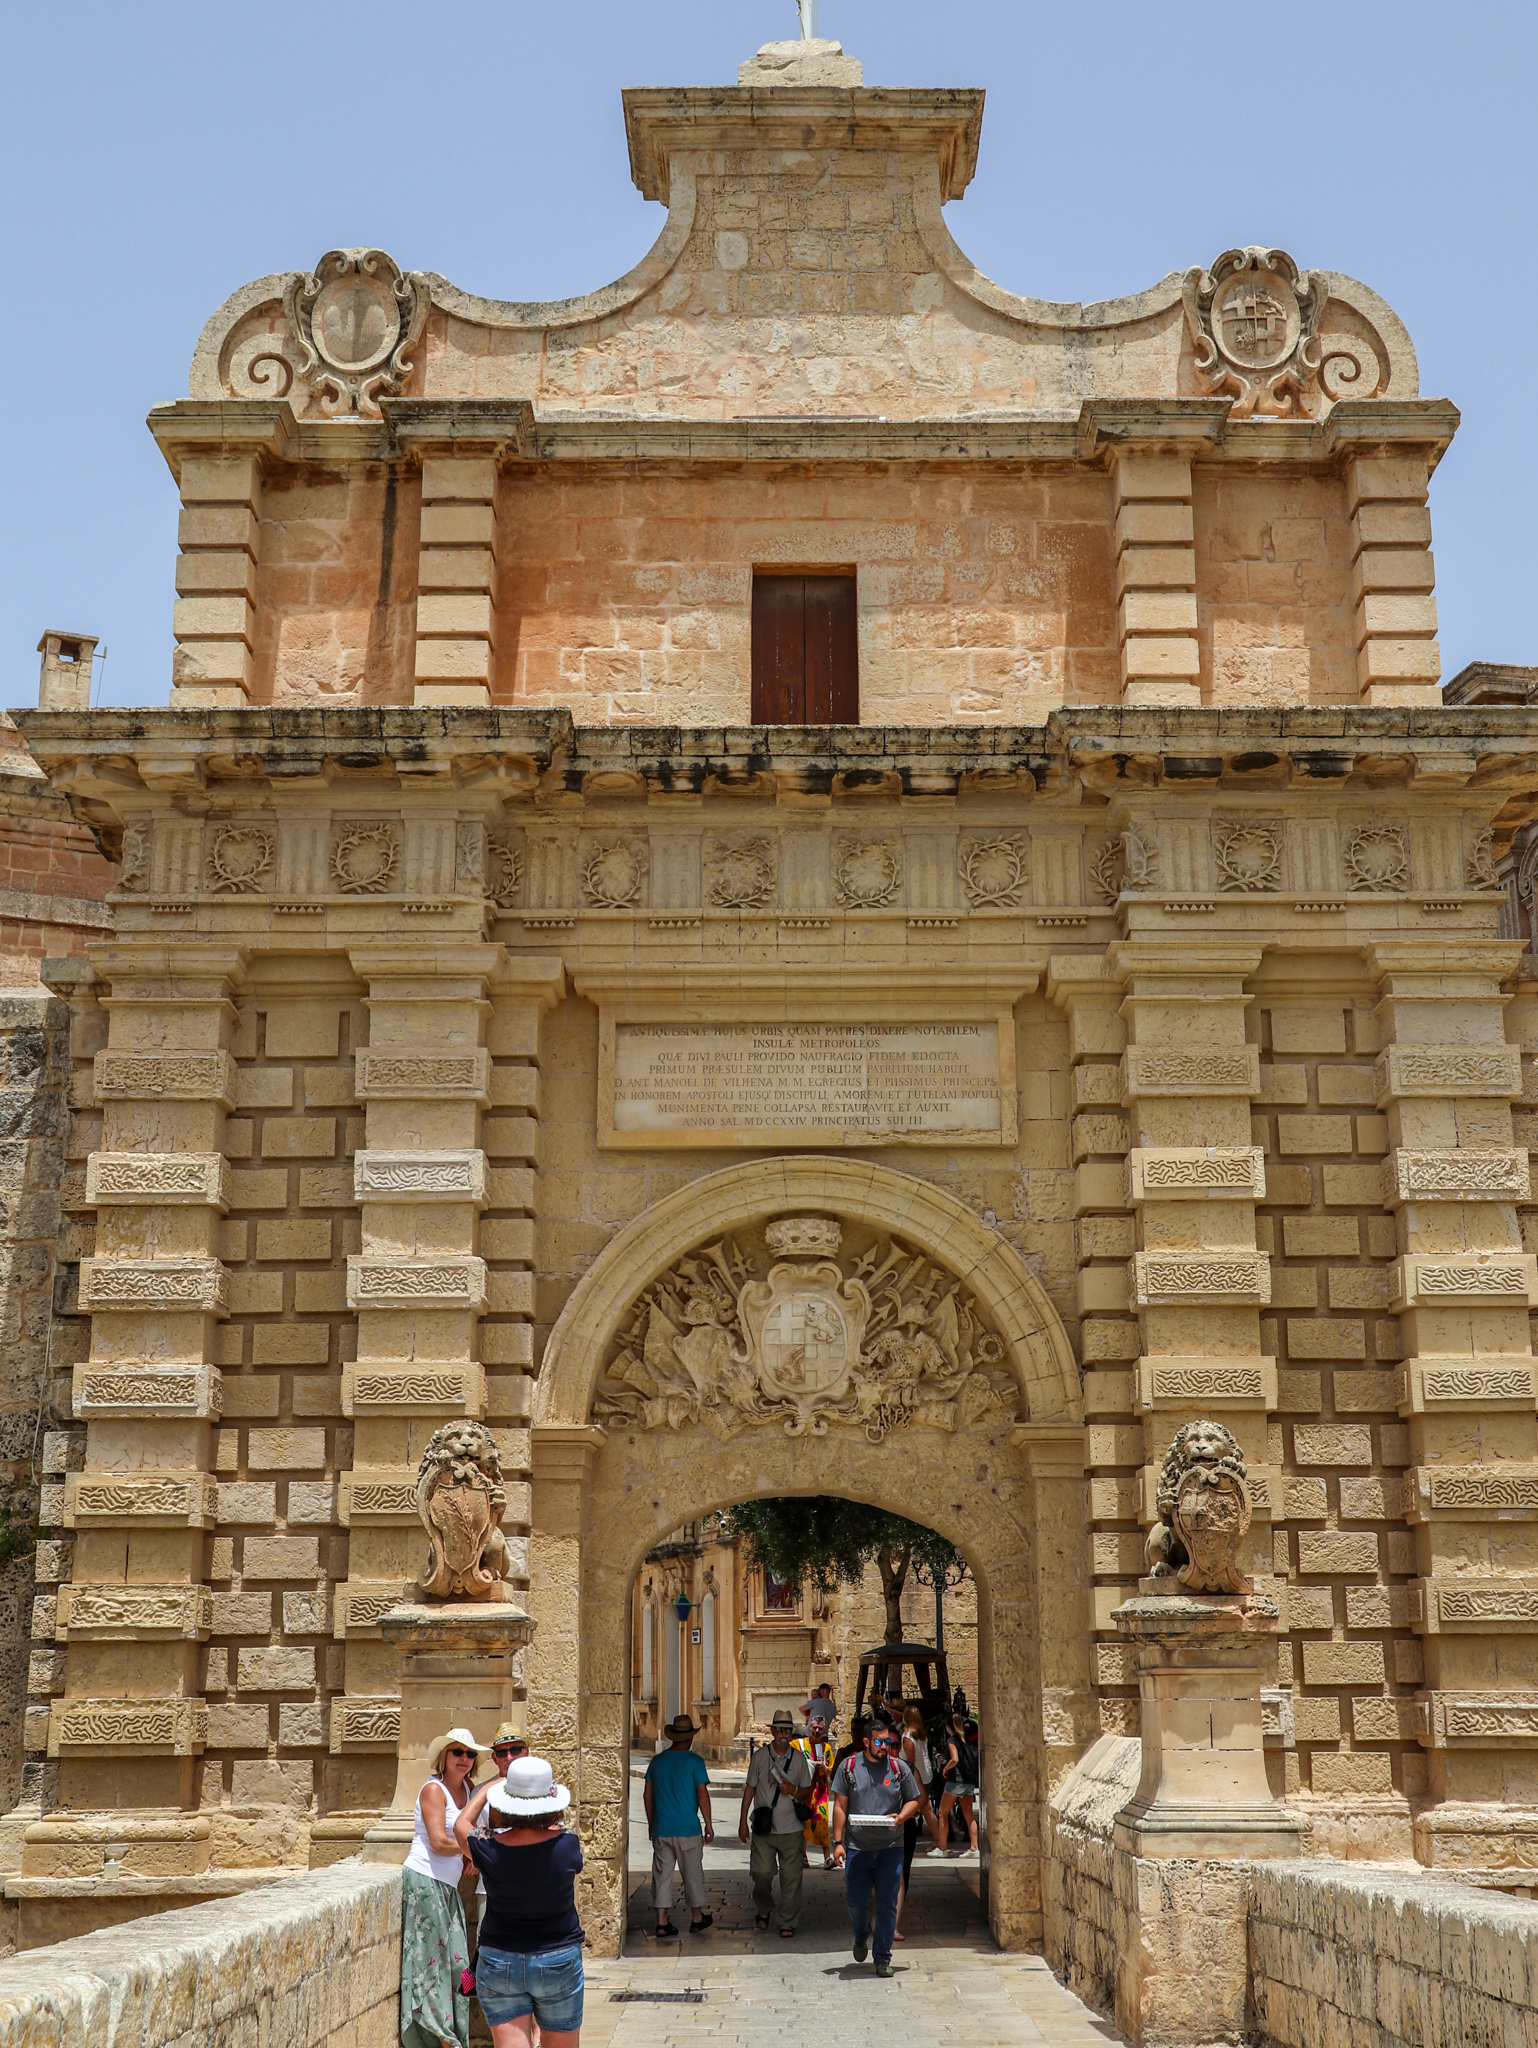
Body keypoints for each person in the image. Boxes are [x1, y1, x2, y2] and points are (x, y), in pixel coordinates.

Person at [453, 1754, 584, 2048]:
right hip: (558, 1957)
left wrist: (486, 1791)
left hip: (500, 1959)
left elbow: (461, 1824)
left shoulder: (487, 1848)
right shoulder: (568, 1845)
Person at [401, 1726, 485, 2048]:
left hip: (448, 1888)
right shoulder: (433, 1790)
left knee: (460, 1965)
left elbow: (468, 1835)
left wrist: (471, 1857)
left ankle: (454, 2035)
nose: (464, 1758)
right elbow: (438, 1842)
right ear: (444, 1757)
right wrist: (474, 1850)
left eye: (470, 1754)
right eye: (457, 1752)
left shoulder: (469, 1788)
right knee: (430, 1965)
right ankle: (443, 2040)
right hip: (425, 1883)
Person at [831, 1718, 921, 1979]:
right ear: (867, 1742)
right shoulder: (848, 1767)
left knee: (887, 1904)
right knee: (856, 1902)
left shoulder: (899, 1768)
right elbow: (839, 1806)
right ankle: (861, 1935)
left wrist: (901, 1817)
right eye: (880, 1742)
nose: (885, 1747)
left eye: (889, 1742)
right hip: (858, 1847)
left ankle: (882, 1957)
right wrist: (838, 1843)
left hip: (890, 1847)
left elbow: (915, 1800)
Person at [739, 1709, 813, 1935]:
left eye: (788, 1729)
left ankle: (787, 1922)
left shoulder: (799, 1759)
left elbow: (808, 1791)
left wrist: (794, 1790)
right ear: (772, 1731)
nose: (784, 1733)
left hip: (791, 1829)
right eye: (780, 1729)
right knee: (761, 1873)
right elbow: (750, 1789)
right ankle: (764, 1907)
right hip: (764, 1828)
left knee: (792, 1879)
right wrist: (742, 1821)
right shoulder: (760, 1758)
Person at [643, 1713, 714, 1936]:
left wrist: (651, 1823)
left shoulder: (657, 1761)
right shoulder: (695, 1762)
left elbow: (647, 1795)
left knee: (662, 1875)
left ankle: (662, 1921)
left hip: (662, 1828)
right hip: (688, 1829)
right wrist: (708, 1824)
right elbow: (702, 1793)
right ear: (690, 1738)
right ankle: (696, 1917)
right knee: (692, 1874)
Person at [893, 1705, 942, 1940]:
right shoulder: (921, 1733)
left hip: (916, 1776)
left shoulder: (907, 1737)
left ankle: (938, 1838)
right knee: (928, 1810)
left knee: (925, 1808)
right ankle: (938, 1838)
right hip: (927, 1773)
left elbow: (910, 1761)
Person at [932, 1711, 981, 1858]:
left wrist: (946, 1768)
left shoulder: (952, 1741)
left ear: (948, 1727)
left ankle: (942, 1848)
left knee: (942, 1813)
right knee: (969, 1815)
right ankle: (974, 1848)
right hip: (968, 1781)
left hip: (955, 1781)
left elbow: (954, 1759)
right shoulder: (968, 1740)